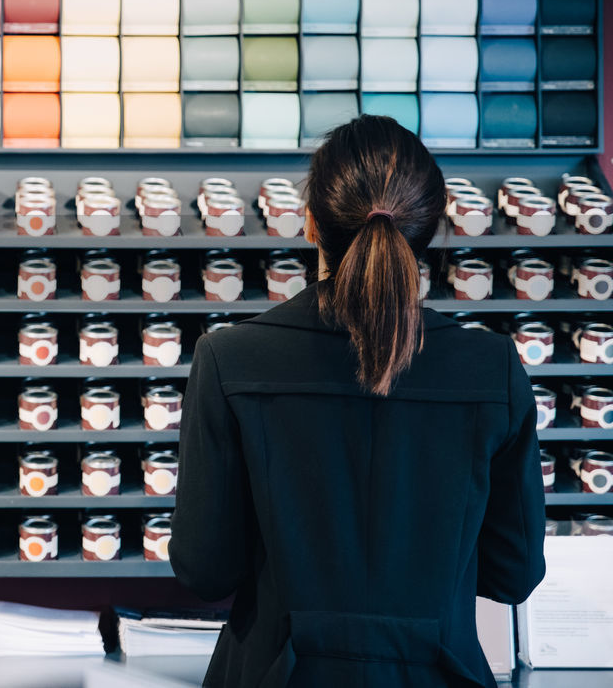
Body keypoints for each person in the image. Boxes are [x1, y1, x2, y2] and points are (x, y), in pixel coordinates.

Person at [170, 116, 546, 688]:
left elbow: (205, 569)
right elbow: (512, 575)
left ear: (311, 223)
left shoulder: (231, 360)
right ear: (432, 227)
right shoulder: (492, 369)